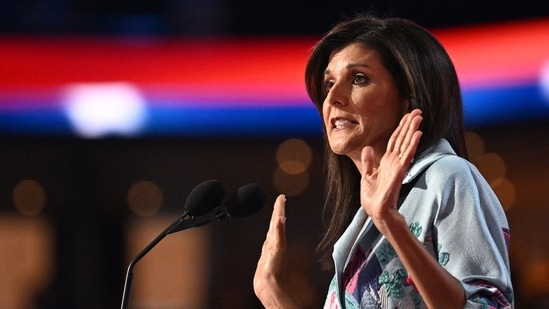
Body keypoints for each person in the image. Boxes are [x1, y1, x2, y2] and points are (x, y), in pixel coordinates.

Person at [253, 14, 514, 308]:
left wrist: (391, 223)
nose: (333, 98)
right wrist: (272, 292)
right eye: (329, 84)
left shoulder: (447, 177)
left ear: (409, 96)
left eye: (359, 79)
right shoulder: (365, 216)